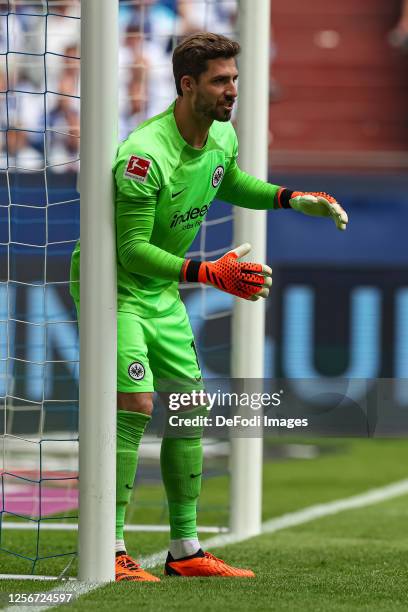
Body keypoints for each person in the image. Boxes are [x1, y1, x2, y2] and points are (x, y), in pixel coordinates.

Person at [70, 32, 348, 582]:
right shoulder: (144, 157)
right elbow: (128, 251)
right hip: (114, 288)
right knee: (136, 404)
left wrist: (293, 200)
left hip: (162, 292)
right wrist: (208, 272)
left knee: (192, 406)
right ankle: (110, 548)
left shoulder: (221, 135)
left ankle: (185, 550)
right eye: (221, 81)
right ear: (187, 84)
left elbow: (227, 181)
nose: (232, 91)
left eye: (235, 80)